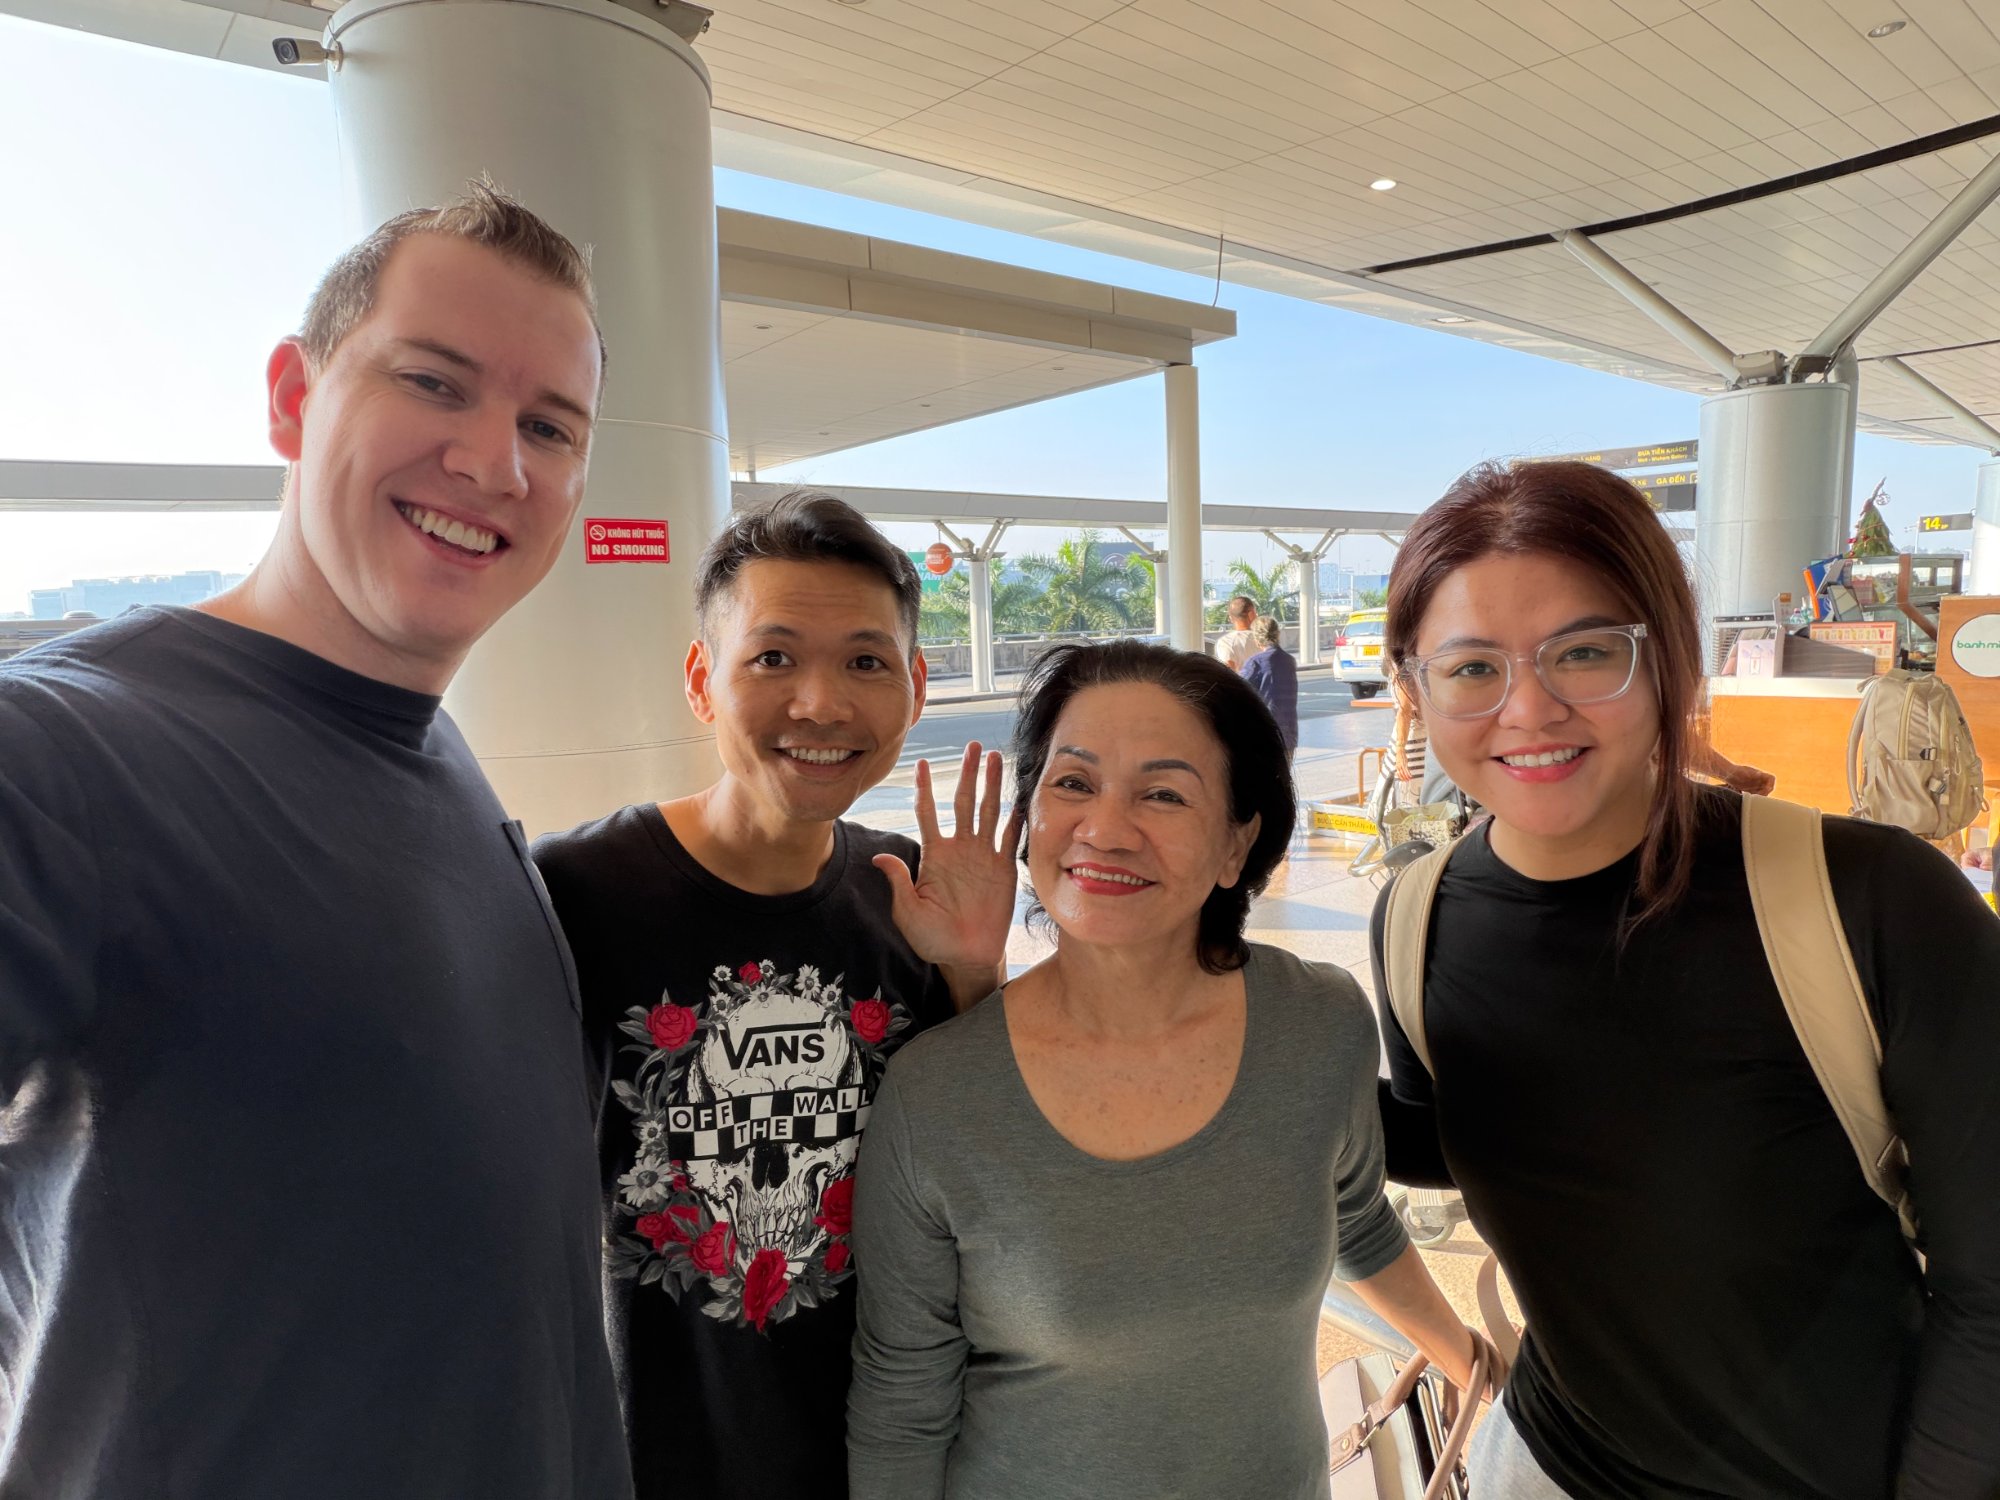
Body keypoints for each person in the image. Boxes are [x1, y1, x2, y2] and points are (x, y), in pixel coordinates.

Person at [0, 185, 630, 1496]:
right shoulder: (61, 752)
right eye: (433, 382)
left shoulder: (435, 757)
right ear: (293, 398)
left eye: (548, 427)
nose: (494, 464)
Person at [1373, 461, 2000, 1498]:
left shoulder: (1871, 899)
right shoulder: (1417, 915)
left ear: (1667, 660)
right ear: (1415, 687)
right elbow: (1464, 1139)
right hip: (1548, 1464)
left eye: (1584, 652)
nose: (1527, 709)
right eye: (1471, 666)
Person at [848, 640, 1491, 1500]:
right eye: (1073, 783)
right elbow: (903, 1404)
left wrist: (1477, 1366)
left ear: (1237, 844)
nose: (1105, 829)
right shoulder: (936, 1095)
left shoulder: (1319, 1025)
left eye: (1163, 794)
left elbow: (1353, 1217)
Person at [532, 490, 1018, 1500]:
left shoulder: (907, 892)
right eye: (773, 658)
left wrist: (976, 971)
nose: (821, 705)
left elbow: (987, 1178)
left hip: (887, 1453)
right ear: (701, 681)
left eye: (866, 662)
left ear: (915, 688)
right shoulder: (573, 893)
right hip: (652, 1456)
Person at [1241, 613, 1299, 758]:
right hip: (1289, 731)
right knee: (1285, 770)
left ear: (1256, 639)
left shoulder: (1255, 662)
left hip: (1265, 732)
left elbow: (1238, 690)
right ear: (1278, 634)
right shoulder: (1289, 660)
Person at [1212, 592, 1259, 670]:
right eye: (1256, 613)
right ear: (1251, 614)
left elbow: (1228, 670)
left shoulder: (1226, 642)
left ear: (1230, 618)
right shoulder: (1265, 640)